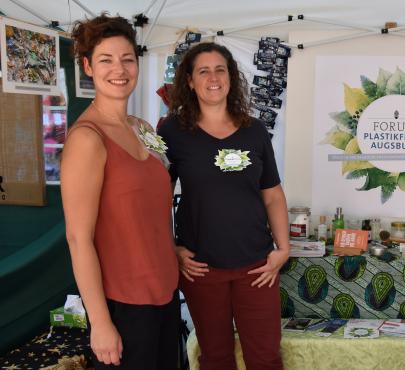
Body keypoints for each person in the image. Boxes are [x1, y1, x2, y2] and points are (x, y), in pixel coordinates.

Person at [158, 42, 290, 370]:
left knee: (266, 358)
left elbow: (272, 194)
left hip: (257, 268)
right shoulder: (171, 130)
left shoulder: (254, 131)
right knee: (215, 358)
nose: (213, 77)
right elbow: (155, 193)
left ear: (231, 77)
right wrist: (171, 247)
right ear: (189, 80)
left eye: (220, 69)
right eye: (203, 70)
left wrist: (283, 248)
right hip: (202, 268)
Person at [61, 14, 179, 369]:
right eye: (106, 60)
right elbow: (78, 238)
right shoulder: (87, 138)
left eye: (127, 59)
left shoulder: (142, 128)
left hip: (165, 293)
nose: (120, 69)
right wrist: (100, 322)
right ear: (88, 66)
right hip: (123, 303)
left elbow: (150, 210)